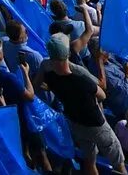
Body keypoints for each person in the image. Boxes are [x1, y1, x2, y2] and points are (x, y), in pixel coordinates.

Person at [39, 35, 123, 174]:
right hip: (96, 123)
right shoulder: (80, 77)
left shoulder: (46, 70)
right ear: (68, 54)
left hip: (74, 122)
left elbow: (37, 85)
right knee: (116, 157)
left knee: (90, 159)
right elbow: (102, 95)